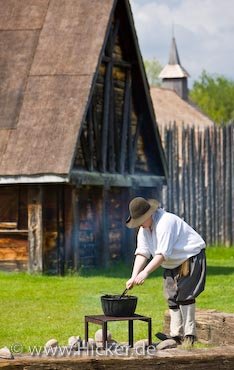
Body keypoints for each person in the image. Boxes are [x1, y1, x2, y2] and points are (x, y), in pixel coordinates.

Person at [125, 197, 206, 347]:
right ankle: (175, 335)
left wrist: (146, 272)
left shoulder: (165, 222)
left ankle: (189, 335)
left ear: (149, 215)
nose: (140, 225)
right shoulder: (144, 230)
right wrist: (134, 275)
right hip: (171, 262)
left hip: (189, 256)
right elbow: (142, 253)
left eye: (141, 221)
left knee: (185, 295)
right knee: (171, 296)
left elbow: (162, 254)